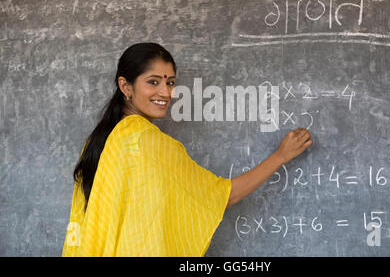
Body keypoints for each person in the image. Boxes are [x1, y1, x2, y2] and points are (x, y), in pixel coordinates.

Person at [61, 42, 312, 257]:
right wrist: (281, 156)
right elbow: (224, 196)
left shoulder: (98, 142)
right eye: (153, 82)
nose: (165, 92)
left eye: (170, 83)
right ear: (126, 86)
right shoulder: (146, 141)